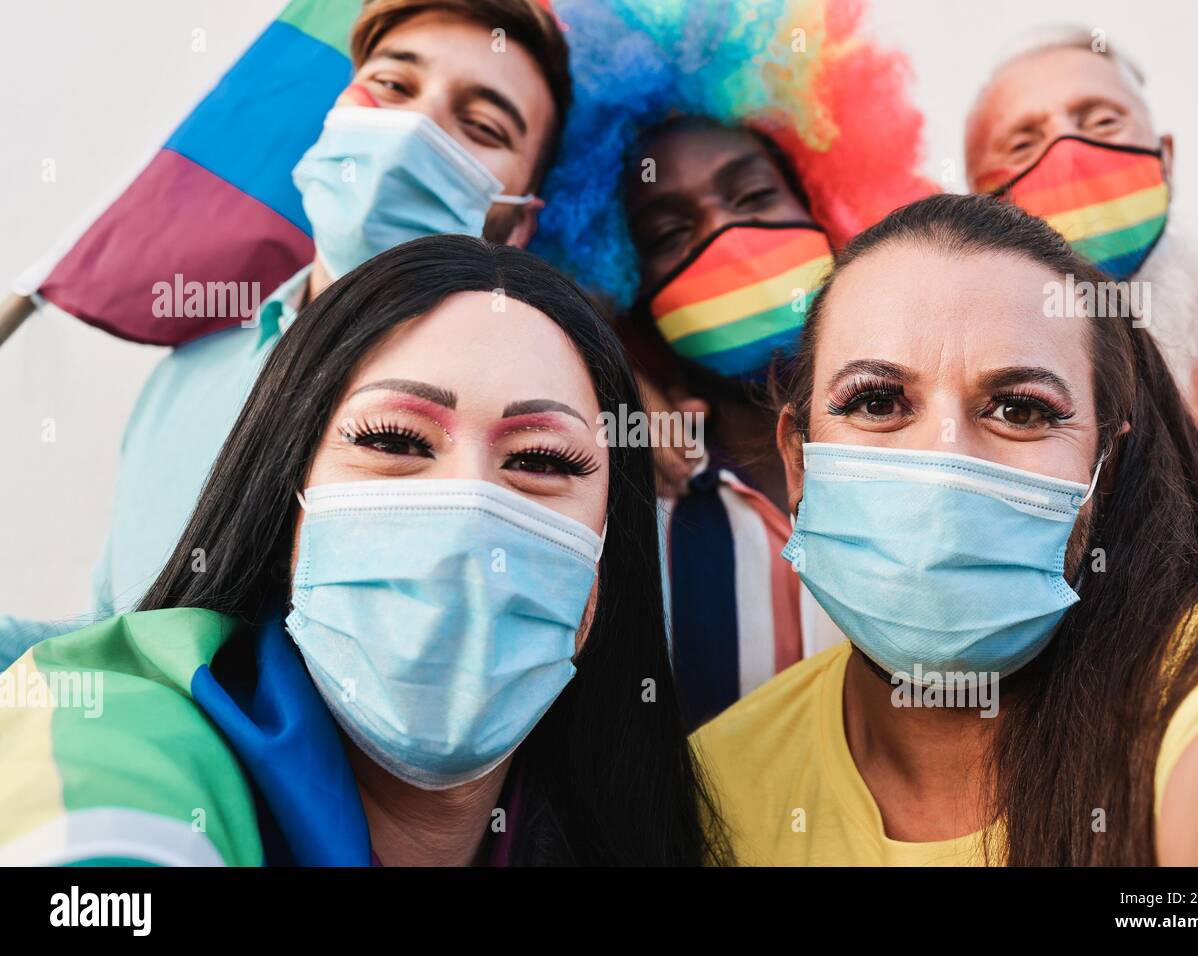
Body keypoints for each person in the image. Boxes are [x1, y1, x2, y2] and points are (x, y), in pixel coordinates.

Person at [0, 236, 729, 867]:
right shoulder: (120, 737)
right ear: (288, 497)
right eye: (393, 441)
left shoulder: (640, 821)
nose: (466, 513)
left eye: (540, 459)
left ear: (607, 552)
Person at [693, 193, 1198, 866]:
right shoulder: (712, 787)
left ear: (1107, 461)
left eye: (1019, 409)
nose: (945, 460)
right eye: (877, 402)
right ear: (797, 461)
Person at [0, 0, 572, 668]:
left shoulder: (534, 427)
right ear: (330, 121)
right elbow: (114, 641)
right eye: (390, 86)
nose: (415, 127)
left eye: (479, 125)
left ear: (521, 222)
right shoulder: (196, 366)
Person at [530, 0, 933, 725]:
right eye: (670, 231)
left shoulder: (941, 444)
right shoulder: (618, 500)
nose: (729, 235)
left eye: (754, 196)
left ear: (830, 210)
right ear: (629, 290)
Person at [964, 26, 1198, 519]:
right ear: (980, 207)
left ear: (1166, 158)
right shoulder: (964, 414)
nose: (1070, 152)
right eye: (1021, 144)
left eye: (1101, 121)